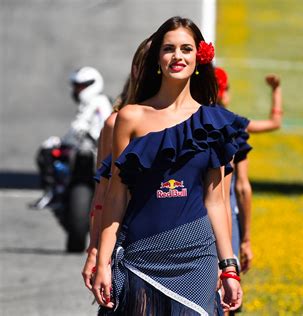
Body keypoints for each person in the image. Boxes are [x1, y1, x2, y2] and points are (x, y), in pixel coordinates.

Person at [93, 16, 245, 315]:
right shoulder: (130, 118)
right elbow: (116, 196)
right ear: (158, 59)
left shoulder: (215, 123)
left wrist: (228, 268)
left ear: (198, 57)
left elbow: (216, 203)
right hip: (140, 256)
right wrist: (102, 262)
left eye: (186, 49)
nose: (178, 56)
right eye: (169, 49)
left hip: (197, 261)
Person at [82, 38, 151, 291]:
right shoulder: (115, 124)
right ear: (136, 71)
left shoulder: (196, 119)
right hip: (128, 243)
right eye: (149, 65)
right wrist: (95, 250)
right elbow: (104, 194)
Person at [214, 67, 283, 276]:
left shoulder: (185, 122)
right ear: (225, 93)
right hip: (227, 219)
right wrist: (246, 240)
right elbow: (242, 187)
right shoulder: (236, 127)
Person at [33, 66, 112, 209]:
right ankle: (57, 190)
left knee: (47, 149)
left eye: (81, 86)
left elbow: (86, 126)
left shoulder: (99, 102)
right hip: (86, 145)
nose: (77, 90)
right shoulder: (92, 102)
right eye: (76, 86)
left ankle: (53, 193)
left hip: (94, 147)